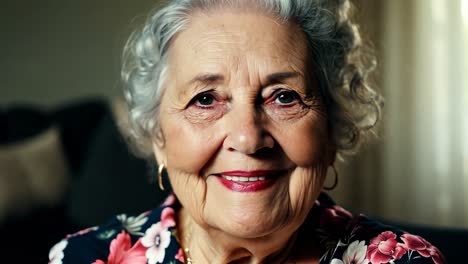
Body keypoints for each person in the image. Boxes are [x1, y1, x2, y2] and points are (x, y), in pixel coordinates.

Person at [48, 0, 446, 263]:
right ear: (159, 139)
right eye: (205, 100)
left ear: (330, 129)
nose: (247, 138)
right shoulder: (82, 257)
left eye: (284, 97)